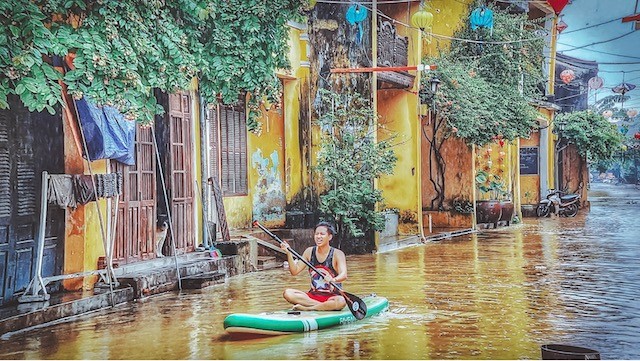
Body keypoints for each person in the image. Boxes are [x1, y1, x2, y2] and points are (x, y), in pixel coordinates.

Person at [279, 221, 347, 311]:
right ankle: (321, 306)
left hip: (332, 297)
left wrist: (333, 280)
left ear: (329, 237)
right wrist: (289, 253)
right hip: (312, 297)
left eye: (322, 234)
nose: (318, 237)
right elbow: (294, 271)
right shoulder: (309, 251)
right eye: (316, 234)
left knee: (341, 301)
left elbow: (344, 275)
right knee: (288, 293)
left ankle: (308, 308)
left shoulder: (337, 254)